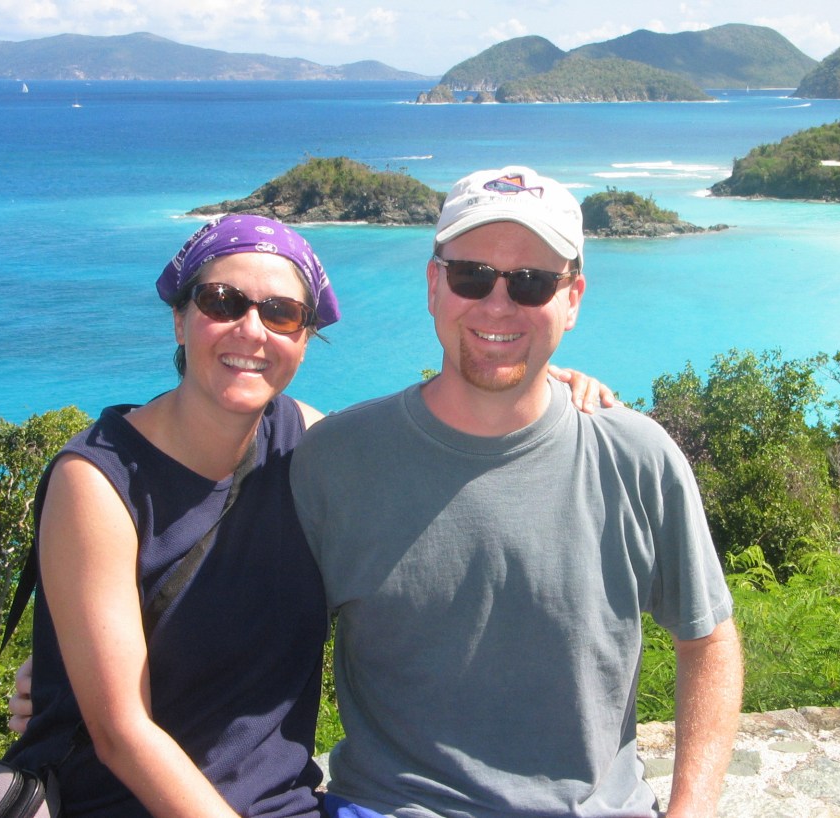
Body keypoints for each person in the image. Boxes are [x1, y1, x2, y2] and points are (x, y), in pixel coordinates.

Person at [4, 214, 612, 817]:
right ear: (180, 318)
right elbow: (121, 734)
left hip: (285, 805)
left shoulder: (309, 444)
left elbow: (440, 451)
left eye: (281, 313)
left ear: (302, 338)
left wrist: (535, 384)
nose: (251, 330)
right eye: (223, 302)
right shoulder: (100, 481)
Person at [289, 166, 744, 818]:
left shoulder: (636, 458)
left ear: (574, 299)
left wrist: (690, 810)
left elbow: (709, 641)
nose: (498, 304)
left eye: (532, 283)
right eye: (472, 274)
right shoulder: (337, 460)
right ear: (433, 284)